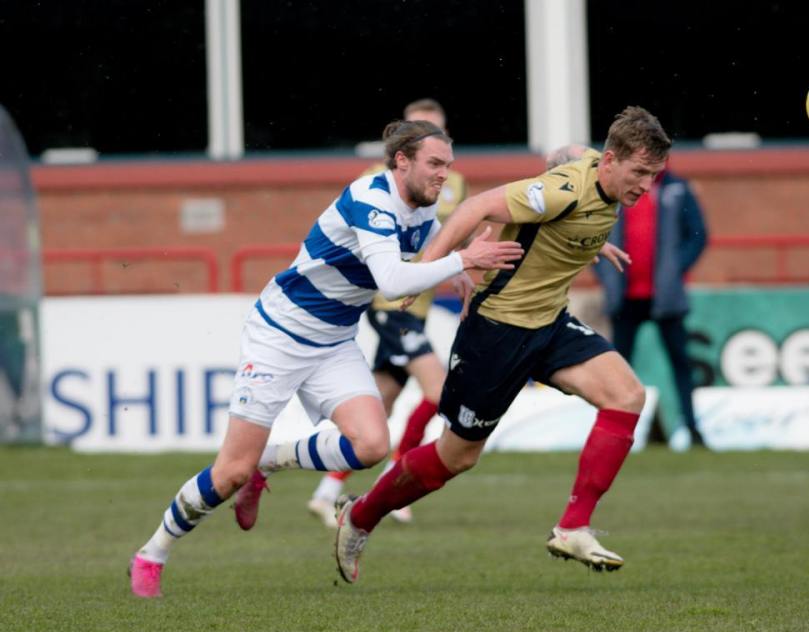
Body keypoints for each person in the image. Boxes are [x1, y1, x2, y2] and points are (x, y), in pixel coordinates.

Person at [127, 120, 523, 597]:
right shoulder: (370, 199)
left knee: (371, 445)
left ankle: (268, 462)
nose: (444, 174)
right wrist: (462, 261)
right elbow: (392, 282)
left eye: (448, 165)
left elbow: (430, 242)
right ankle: (152, 552)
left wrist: (457, 265)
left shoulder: (421, 207)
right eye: (435, 164)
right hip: (279, 335)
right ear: (401, 161)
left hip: (334, 342)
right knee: (230, 471)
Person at [333, 106, 672, 584]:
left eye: (653, 175)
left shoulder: (595, 168)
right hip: (496, 331)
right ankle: (361, 515)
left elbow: (564, 153)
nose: (645, 185)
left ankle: (573, 527)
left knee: (627, 396)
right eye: (639, 173)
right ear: (612, 160)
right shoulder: (560, 191)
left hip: (549, 324)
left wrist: (590, 241)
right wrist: (424, 270)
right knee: (457, 457)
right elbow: (475, 207)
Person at [308, 99, 467, 527]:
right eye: (424, 132)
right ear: (404, 151)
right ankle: (395, 482)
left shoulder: (453, 183)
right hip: (390, 304)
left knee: (382, 405)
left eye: (440, 134)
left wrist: (461, 268)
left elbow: (448, 237)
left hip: (419, 306)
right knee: (439, 392)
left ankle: (326, 492)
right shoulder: (375, 183)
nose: (439, 160)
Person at [593, 164, 709, 447]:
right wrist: (606, 273)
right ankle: (611, 433)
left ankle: (691, 428)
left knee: (680, 363)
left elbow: (698, 234)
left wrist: (675, 268)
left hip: (666, 296)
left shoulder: (677, 188)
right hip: (625, 296)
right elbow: (591, 234)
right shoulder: (616, 188)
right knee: (618, 369)